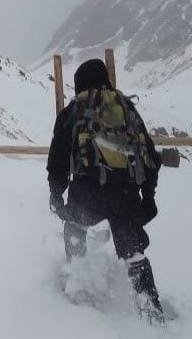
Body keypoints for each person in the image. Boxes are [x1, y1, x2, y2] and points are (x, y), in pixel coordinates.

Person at [46, 58, 164, 322]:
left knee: (75, 229)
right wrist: (149, 196)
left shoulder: (74, 111)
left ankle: (78, 294)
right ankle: (151, 312)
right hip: (126, 194)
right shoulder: (125, 108)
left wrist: (56, 195)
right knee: (133, 253)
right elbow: (149, 157)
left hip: (87, 193)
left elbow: (58, 161)